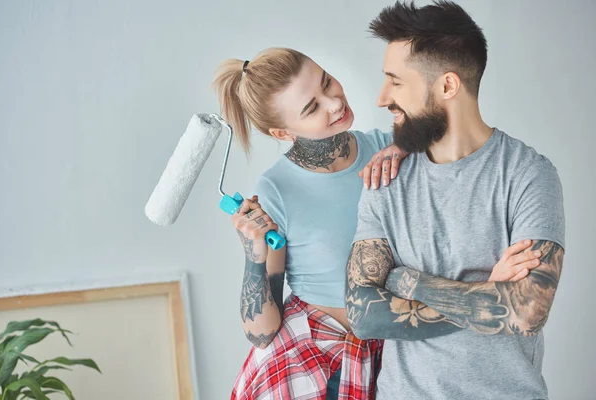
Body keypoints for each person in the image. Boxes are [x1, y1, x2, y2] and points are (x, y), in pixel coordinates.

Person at [214, 47, 540, 400]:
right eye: (312, 108)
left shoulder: (389, 149)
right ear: (282, 133)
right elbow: (262, 333)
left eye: (327, 82)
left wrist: (409, 144)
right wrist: (255, 252)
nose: (334, 103)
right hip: (319, 364)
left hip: (398, 354)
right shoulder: (275, 190)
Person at [346, 2, 565, 400]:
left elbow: (526, 311)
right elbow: (363, 314)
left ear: (447, 86)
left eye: (395, 82)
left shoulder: (528, 174)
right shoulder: (385, 179)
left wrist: (406, 281)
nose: (381, 99)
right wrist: (487, 291)